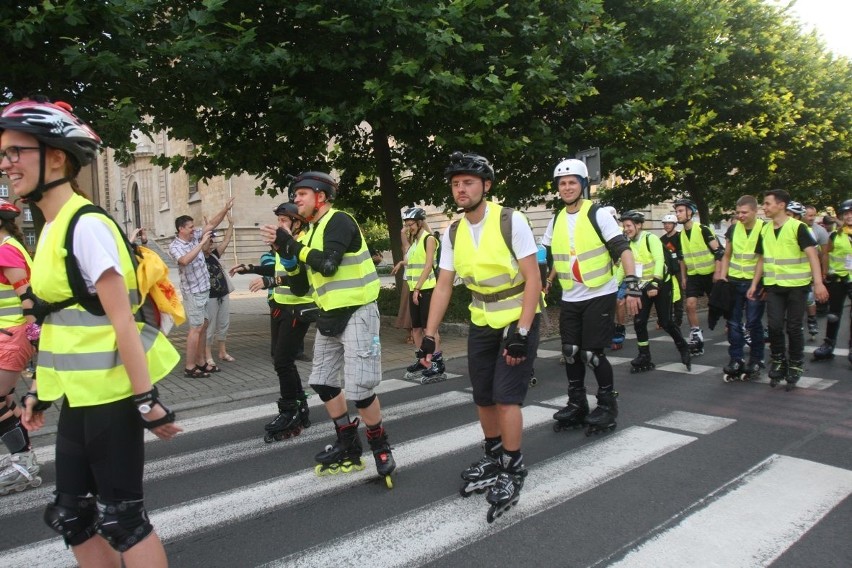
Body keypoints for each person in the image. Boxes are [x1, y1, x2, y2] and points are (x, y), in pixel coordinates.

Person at [2, 98, 181, 567]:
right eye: (3, 154)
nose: (6, 163)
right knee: (71, 515)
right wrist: (39, 390)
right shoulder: (51, 228)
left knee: (123, 519)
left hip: (113, 395)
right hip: (80, 397)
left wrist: (147, 400)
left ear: (56, 156)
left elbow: (121, 319)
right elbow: (61, 324)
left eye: (17, 151)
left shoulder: (87, 225)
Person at [420, 151, 540, 522]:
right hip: (482, 319)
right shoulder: (452, 230)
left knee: (506, 398)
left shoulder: (510, 221)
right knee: (483, 395)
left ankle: (513, 467)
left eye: (468, 182)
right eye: (456, 184)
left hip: (516, 319)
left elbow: (533, 278)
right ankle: (493, 457)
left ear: (485, 186)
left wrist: (521, 331)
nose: (461, 189)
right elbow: (443, 286)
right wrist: (429, 334)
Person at [261, 171, 396, 486]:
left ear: (321, 196)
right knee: (322, 382)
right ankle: (348, 443)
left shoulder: (339, 221)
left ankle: (380, 445)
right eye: (295, 196)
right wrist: (286, 252)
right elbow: (298, 286)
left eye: (302, 195)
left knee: (361, 390)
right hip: (329, 316)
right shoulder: (308, 233)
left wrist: (292, 246)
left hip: (358, 311)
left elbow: (329, 264)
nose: (296, 200)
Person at [543, 159, 641, 436]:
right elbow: (549, 254)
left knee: (591, 354)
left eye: (572, 182)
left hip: (600, 292)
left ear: (583, 185)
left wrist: (632, 283)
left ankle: (607, 405)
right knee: (570, 352)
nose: (567, 187)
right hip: (571, 296)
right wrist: (544, 280)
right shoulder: (556, 219)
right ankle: (577, 403)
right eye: (562, 183)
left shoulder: (597, 214)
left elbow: (623, 248)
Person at [233, 203, 314, 442]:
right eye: (278, 220)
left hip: (298, 308)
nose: (279, 224)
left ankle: (289, 410)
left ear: (297, 222)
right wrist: (250, 268)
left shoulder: (304, 242)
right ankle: (299, 406)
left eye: (283, 220)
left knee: (282, 361)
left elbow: (303, 276)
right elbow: (276, 267)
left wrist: (269, 283)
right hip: (280, 306)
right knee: (283, 360)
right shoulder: (283, 242)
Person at [747, 189, 828, 391]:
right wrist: (754, 284)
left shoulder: (798, 227)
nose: (764, 208)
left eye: (767, 204)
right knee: (773, 326)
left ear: (781, 205)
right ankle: (778, 359)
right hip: (774, 286)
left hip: (797, 286)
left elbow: (812, 256)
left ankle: (795, 363)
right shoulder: (764, 229)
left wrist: (818, 283)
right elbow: (761, 259)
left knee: (793, 327)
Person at [0, 199, 41, 495]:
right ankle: (23, 460)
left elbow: (26, 296)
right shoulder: (11, 246)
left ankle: (23, 463)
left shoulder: (7, 249)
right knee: (6, 402)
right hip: (8, 335)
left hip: (12, 336)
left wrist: (34, 333)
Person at [169, 198, 234, 378]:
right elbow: (184, 260)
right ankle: (190, 367)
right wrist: (199, 243)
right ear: (181, 229)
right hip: (194, 292)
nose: (194, 229)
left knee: (203, 326)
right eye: (190, 227)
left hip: (205, 290)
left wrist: (224, 209)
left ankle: (201, 362)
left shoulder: (194, 236)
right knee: (196, 328)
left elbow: (212, 224)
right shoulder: (175, 246)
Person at [619, 211, 691, 373]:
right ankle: (644, 355)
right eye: (624, 226)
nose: (626, 229)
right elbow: (623, 268)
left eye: (629, 226)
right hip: (642, 286)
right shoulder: (627, 244)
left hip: (661, 284)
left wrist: (655, 282)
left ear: (638, 225)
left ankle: (683, 348)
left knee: (665, 322)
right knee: (639, 322)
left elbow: (659, 261)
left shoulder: (650, 239)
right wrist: (613, 287)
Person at [391, 207, 444, 383]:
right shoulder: (415, 241)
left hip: (427, 289)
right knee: (416, 328)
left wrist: (417, 289)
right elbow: (414, 260)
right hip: (416, 289)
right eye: (406, 225)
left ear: (420, 222)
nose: (408, 228)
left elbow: (428, 265)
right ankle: (423, 361)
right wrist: (401, 262)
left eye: (410, 224)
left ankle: (437, 362)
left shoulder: (429, 239)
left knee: (431, 329)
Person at [718, 195, 766, 381]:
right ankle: (736, 358)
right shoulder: (733, 229)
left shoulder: (764, 229)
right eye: (738, 212)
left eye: (744, 212)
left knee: (753, 322)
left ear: (755, 211)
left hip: (754, 282)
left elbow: (762, 258)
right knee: (733, 323)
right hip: (734, 281)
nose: (740, 216)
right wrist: (723, 276)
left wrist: (755, 284)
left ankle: (756, 358)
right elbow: (727, 255)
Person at [674, 198, 724, 355]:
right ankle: (696, 334)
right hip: (693, 275)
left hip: (710, 274)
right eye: (676, 211)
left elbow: (719, 252)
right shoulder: (680, 235)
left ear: (690, 212)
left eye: (680, 211)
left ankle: (738, 327)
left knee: (719, 306)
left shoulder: (703, 229)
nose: (678, 214)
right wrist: (683, 277)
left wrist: (717, 272)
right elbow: (682, 259)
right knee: (690, 305)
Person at [812, 199, 852, 362]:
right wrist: (824, 274)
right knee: (833, 314)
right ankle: (828, 345)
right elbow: (826, 254)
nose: (849, 216)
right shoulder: (836, 235)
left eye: (851, 213)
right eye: (846, 213)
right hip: (837, 278)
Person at [203, 216, 235, 368]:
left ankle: (222, 352)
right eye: (209, 241)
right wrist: (206, 230)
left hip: (223, 294)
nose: (212, 244)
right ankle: (207, 355)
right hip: (210, 297)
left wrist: (231, 224)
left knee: (223, 324)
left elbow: (226, 241)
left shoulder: (214, 255)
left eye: (212, 242)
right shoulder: (197, 258)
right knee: (210, 327)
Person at [803, 204, 830, 338]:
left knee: (809, 297)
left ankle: (812, 320)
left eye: (814, 215)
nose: (812, 218)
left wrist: (823, 272)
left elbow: (824, 254)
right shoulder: (796, 228)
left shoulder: (820, 231)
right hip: (795, 270)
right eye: (809, 215)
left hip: (811, 269)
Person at [659, 213, 684, 328]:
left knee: (678, 296)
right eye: (665, 224)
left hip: (678, 270)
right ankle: (665, 319)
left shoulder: (680, 236)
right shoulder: (662, 239)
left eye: (669, 223)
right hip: (667, 271)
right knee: (666, 295)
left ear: (674, 224)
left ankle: (678, 319)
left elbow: (682, 254)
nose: (667, 226)